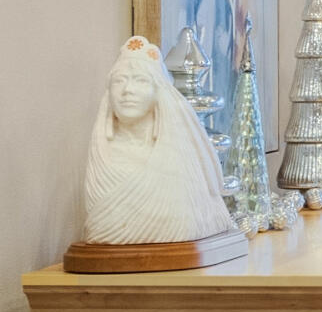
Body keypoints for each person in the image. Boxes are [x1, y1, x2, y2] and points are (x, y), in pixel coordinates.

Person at [82, 35, 237, 246]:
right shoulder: (103, 157)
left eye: (140, 80)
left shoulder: (179, 163)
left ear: (158, 92)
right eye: (119, 81)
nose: (127, 90)